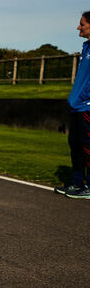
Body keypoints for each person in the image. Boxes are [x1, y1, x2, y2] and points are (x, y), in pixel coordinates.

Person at [56, 10, 90, 198]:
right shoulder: (86, 47)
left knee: (88, 147)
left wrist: (82, 98)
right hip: (77, 106)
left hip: (87, 107)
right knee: (75, 145)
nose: (78, 27)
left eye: (82, 24)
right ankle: (77, 183)